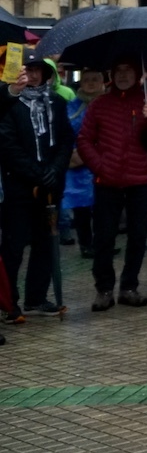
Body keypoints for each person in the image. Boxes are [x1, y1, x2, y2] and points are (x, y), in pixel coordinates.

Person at [75, 58, 147, 311]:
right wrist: (100, 166)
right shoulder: (100, 104)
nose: (123, 76)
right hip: (107, 180)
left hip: (142, 179)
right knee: (104, 237)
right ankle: (104, 289)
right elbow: (84, 140)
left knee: (138, 236)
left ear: (139, 74)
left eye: (128, 71)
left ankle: (129, 286)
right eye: (118, 71)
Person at [0, 55, 74, 317]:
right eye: (27, 70)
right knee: (14, 245)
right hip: (19, 186)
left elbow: (66, 139)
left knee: (45, 242)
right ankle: (11, 301)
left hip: (50, 186)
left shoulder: (55, 102)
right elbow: (7, 144)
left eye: (36, 71)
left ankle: (37, 296)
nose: (31, 76)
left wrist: (54, 170)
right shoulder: (10, 103)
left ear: (45, 74)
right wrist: (35, 173)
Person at [62, 68, 105, 258]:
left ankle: (102, 243)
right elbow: (65, 131)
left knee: (103, 207)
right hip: (79, 163)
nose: (91, 83)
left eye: (95, 79)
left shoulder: (107, 103)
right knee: (82, 209)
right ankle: (86, 244)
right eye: (87, 80)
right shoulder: (72, 106)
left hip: (103, 162)